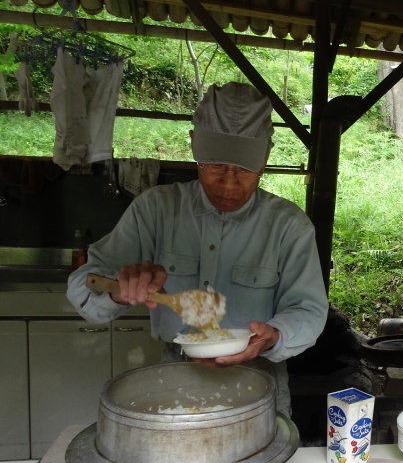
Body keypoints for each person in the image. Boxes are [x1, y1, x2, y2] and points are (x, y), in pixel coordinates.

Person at [67, 82, 329, 416]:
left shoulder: (289, 226)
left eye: (245, 169)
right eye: (216, 166)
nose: (230, 182)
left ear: (265, 158)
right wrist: (120, 291)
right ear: (193, 146)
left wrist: (275, 336)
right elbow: (82, 287)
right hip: (174, 378)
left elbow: (309, 311)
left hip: (260, 384)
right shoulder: (156, 210)